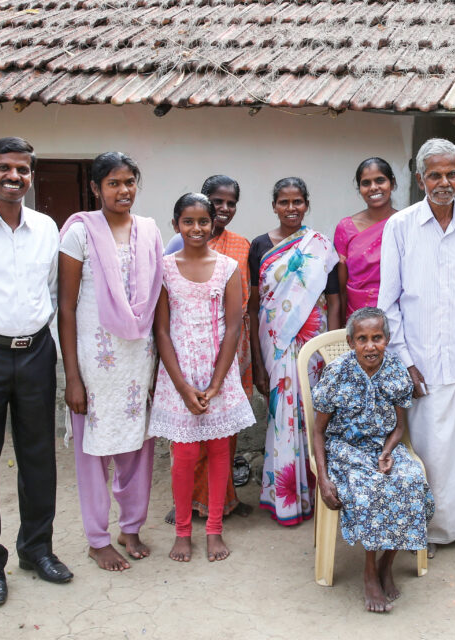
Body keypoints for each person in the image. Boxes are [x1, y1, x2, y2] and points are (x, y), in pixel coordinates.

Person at [378, 138, 455, 557]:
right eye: (435, 175)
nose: (443, 182)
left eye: (451, 174)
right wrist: (406, 362)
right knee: (426, 451)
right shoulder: (400, 227)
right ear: (419, 179)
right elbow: (387, 303)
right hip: (421, 364)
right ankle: (426, 532)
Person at [59, 151, 164, 571]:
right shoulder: (79, 233)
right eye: (114, 183)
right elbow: (65, 307)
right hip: (94, 364)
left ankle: (131, 526)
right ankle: (97, 538)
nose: (123, 190)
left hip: (139, 359)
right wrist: (72, 378)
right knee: (93, 453)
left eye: (130, 182)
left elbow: (157, 301)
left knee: (138, 447)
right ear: (95, 188)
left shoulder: (150, 231)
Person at [0, 137, 71, 606]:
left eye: (22, 169)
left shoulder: (45, 227)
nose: (13, 176)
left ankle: (36, 550)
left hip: (36, 350)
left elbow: (55, 293)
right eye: (4, 168)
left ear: (31, 176)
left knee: (39, 458)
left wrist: (51, 347)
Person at [150, 194, 255, 562]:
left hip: (218, 374)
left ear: (213, 224)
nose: (196, 229)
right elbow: (161, 331)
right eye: (188, 221)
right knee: (184, 455)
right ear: (176, 224)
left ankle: (213, 529)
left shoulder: (227, 266)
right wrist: (181, 385)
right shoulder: (163, 268)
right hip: (178, 375)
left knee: (219, 451)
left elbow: (231, 328)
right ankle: (182, 532)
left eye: (203, 222)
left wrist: (215, 383)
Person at [312, 307, 434, 613]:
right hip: (345, 448)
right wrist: (323, 479)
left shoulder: (394, 371)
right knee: (368, 489)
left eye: (377, 338)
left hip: (382, 446)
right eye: (362, 339)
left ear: (387, 339)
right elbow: (318, 432)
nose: (370, 346)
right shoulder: (337, 372)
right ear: (351, 342)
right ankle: (368, 571)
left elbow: (399, 426)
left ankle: (386, 563)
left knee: (411, 481)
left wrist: (387, 451)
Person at [248, 177, 341, 525]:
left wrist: (330, 350)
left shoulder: (320, 246)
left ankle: (319, 493)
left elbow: (334, 301)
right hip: (275, 344)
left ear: (306, 204)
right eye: (284, 202)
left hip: (312, 345)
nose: (291, 208)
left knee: (313, 418)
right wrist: (259, 361)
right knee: (281, 419)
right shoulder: (259, 246)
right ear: (274, 205)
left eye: (298, 201)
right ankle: (285, 497)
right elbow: (254, 306)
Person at [334, 158, 399, 323]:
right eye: (366, 183)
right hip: (356, 317)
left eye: (380, 180)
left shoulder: (404, 224)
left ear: (392, 183)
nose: (373, 187)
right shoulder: (345, 228)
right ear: (360, 189)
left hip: (397, 315)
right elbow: (341, 288)